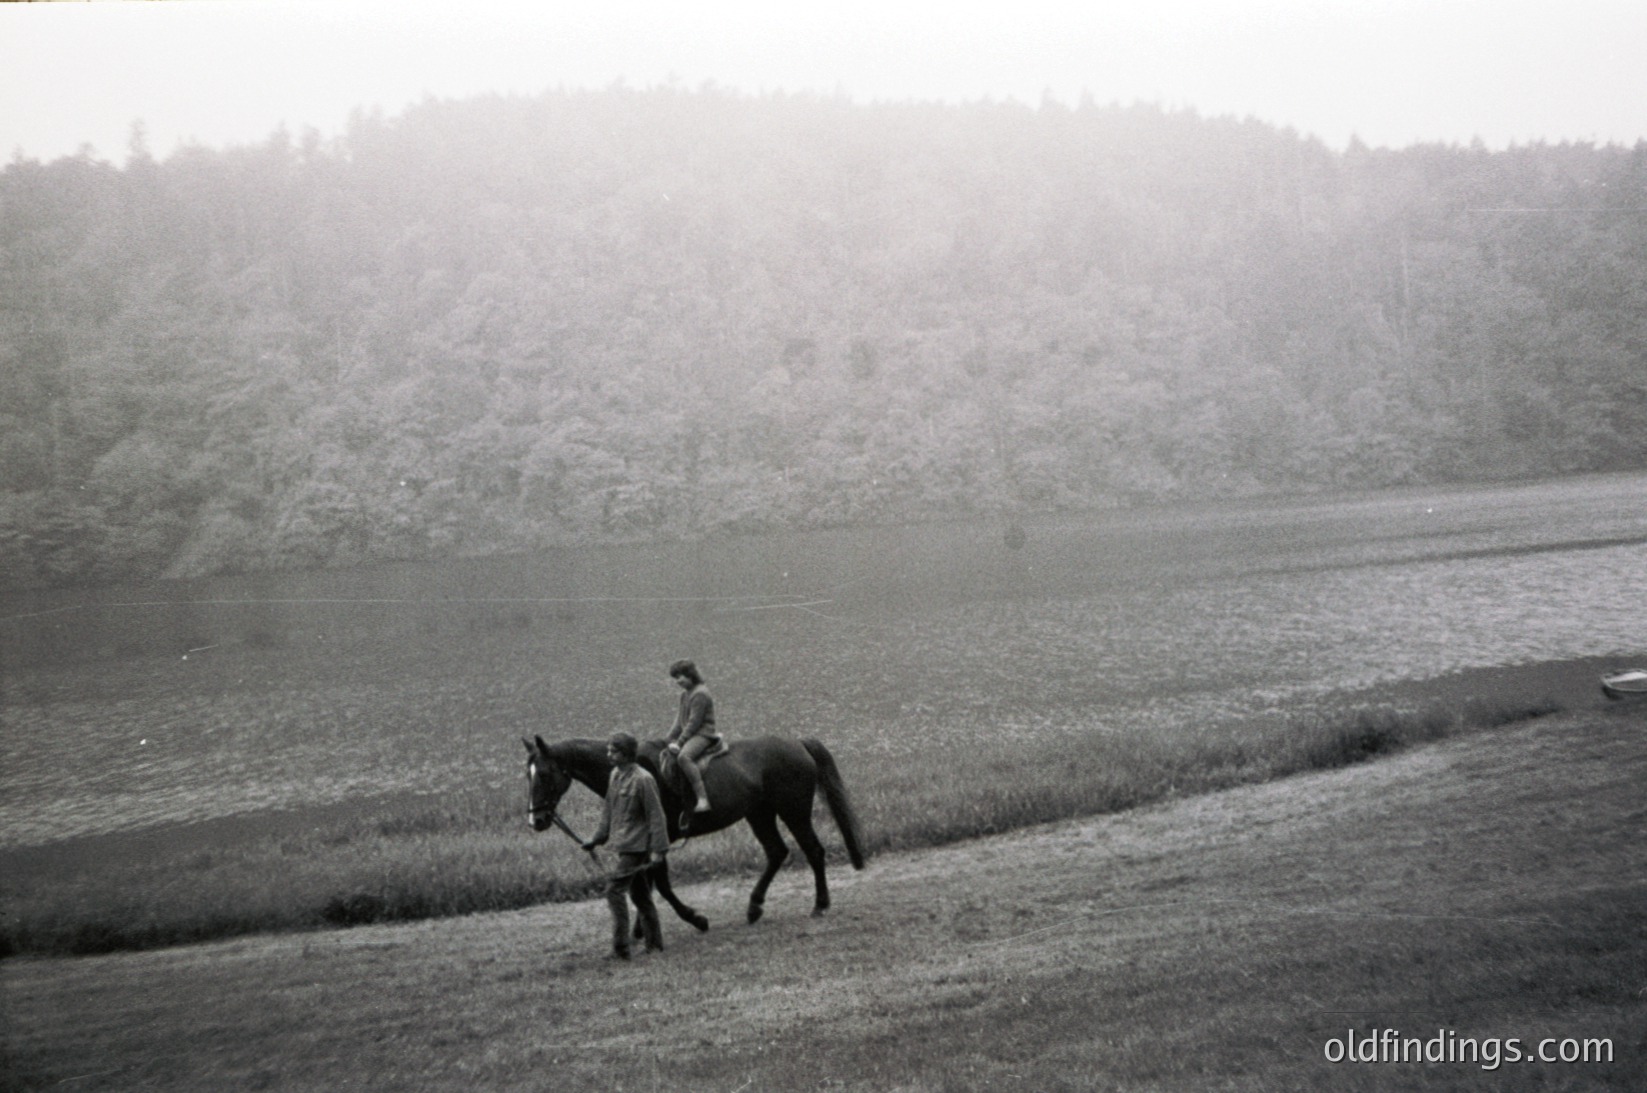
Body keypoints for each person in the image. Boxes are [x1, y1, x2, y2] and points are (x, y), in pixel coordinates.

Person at [581, 732, 668, 960]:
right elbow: (608, 811)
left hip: (637, 848)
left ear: (627, 754)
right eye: (609, 750)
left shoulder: (644, 780)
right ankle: (655, 944)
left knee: (614, 891)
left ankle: (621, 948)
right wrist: (596, 839)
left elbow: (656, 816)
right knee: (641, 896)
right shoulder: (615, 776)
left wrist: (659, 849)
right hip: (623, 845)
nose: (609, 755)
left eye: (613, 751)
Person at [665, 658, 719, 821]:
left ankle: (702, 798)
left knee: (684, 757)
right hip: (692, 733)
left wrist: (679, 743)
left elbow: (693, 723)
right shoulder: (685, 694)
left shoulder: (700, 693)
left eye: (680, 677)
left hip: (703, 734)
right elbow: (679, 719)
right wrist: (668, 737)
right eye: (675, 678)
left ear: (690, 675)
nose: (677, 681)